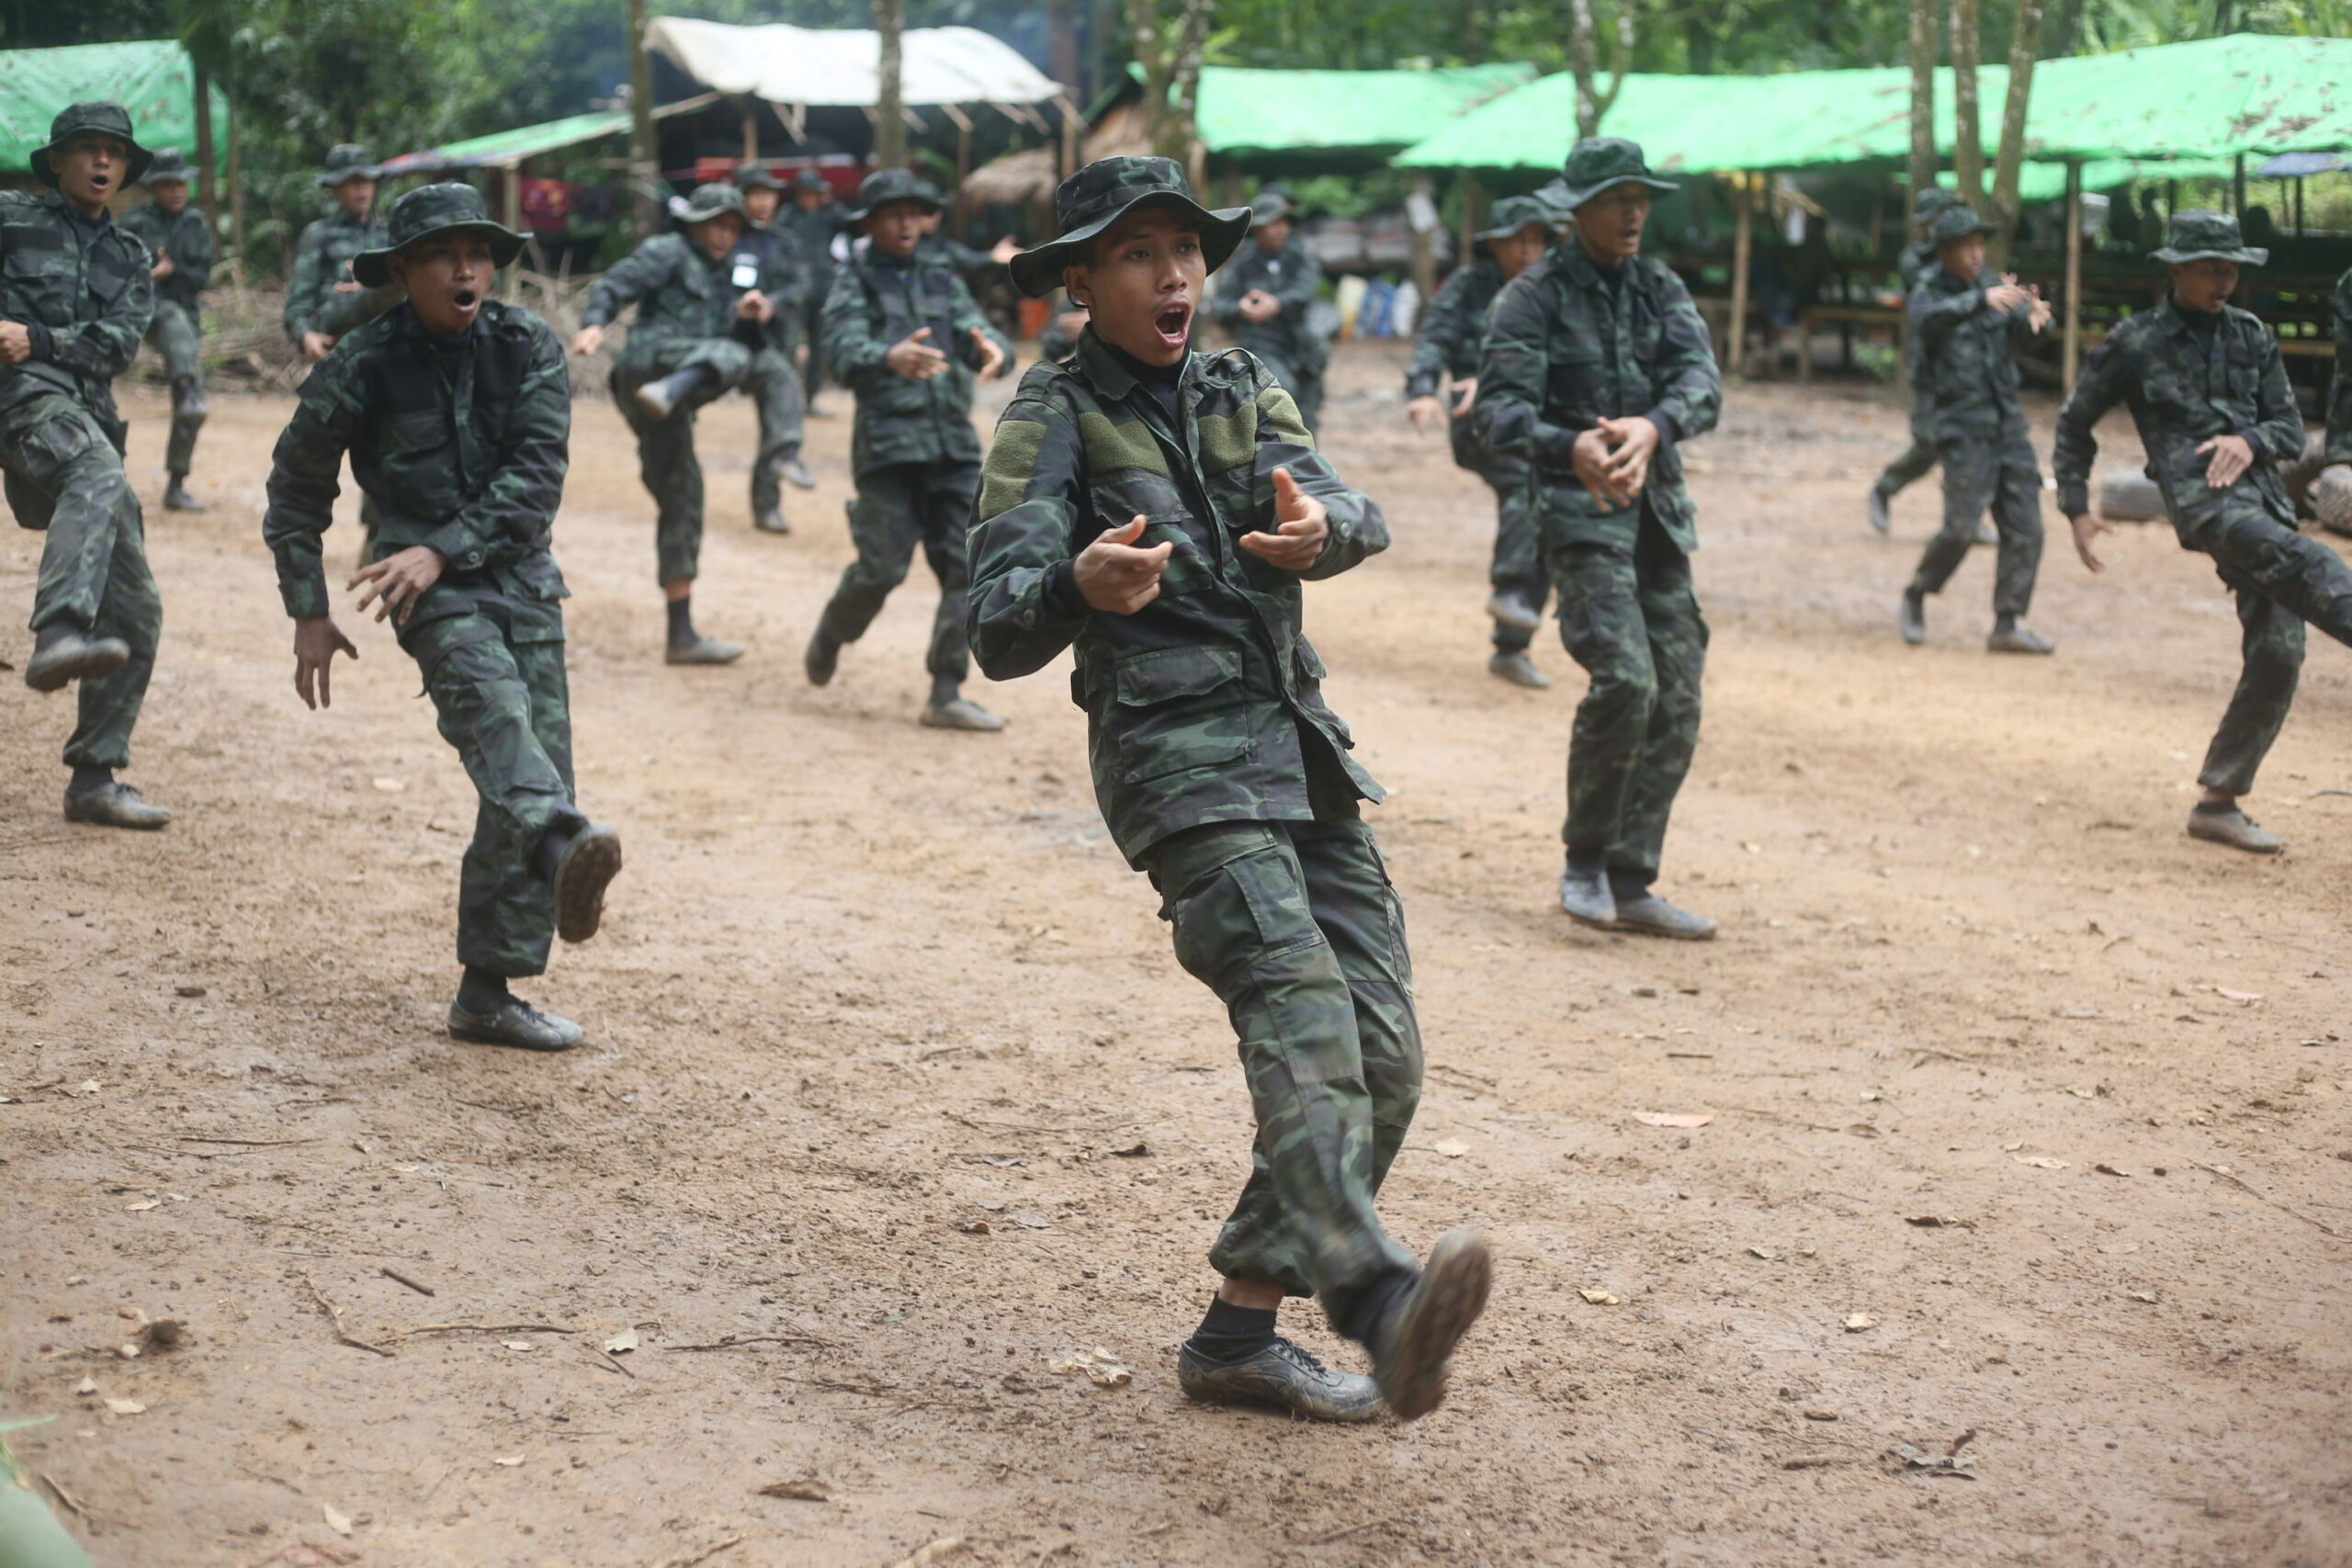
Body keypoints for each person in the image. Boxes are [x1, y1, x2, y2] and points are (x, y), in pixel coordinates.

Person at [971, 155, 1493, 1426]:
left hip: (1298, 750)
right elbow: (993, 625)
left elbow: (1347, 500)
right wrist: (1073, 586)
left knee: (1381, 1053)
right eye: (1142, 253)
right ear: (1083, 281)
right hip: (1175, 762)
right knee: (1301, 1008)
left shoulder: (1241, 381)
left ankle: (1237, 1335)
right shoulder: (1052, 417)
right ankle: (1374, 1297)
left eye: (1188, 249)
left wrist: (1328, 532)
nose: (1177, 274)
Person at [262, 183, 623, 1050]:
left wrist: (444, 542)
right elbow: (295, 490)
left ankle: (487, 992)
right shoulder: (361, 362)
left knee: (526, 766)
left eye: (477, 252)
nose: (464, 269)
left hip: (524, 581)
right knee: (497, 718)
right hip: (427, 593)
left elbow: (536, 482)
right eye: (439, 254)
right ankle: (561, 838)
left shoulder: (528, 346)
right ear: (400, 271)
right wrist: (309, 610)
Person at [1477, 137, 1722, 941]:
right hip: (1578, 517)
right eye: (1618, 199)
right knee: (1627, 680)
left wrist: (1655, 427)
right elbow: (1497, 414)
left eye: (1641, 198)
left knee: (1679, 692)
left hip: (1658, 516)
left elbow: (1702, 383)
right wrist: (1570, 445)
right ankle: (1584, 858)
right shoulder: (1532, 297)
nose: (1634, 213)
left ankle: (1632, 875)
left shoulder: (1659, 287)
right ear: (1576, 211)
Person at [2053, 211, 2352, 857]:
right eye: (2211, 267)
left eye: (2231, 266)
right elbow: (2075, 421)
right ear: (2176, 270)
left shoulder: (2253, 334)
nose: (2225, 279)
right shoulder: (2134, 341)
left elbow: (2289, 429)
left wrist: (2250, 440)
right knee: (2306, 561)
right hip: (2206, 505)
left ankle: (2218, 800)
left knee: (2280, 649)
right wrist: (2076, 506)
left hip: (2265, 499)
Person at [3, 103, 172, 830]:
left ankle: (94, 777)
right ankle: (59, 630)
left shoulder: (132, 256)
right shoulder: (10, 218)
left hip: (80, 412)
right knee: (97, 473)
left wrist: (35, 336)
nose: (103, 163)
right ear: (59, 160)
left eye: (114, 153)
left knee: (135, 604)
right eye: (88, 149)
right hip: (19, 399)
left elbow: (115, 346)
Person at [806, 168, 1011, 730]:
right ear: (870, 222)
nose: (905, 223)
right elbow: (839, 351)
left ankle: (945, 692)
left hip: (953, 450)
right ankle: (833, 630)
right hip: (890, 452)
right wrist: (886, 357)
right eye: (892, 214)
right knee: (881, 571)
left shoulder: (942, 275)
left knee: (968, 569)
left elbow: (977, 332)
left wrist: (994, 350)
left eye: (913, 213)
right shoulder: (855, 280)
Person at [572, 182, 776, 664]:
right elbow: (616, 284)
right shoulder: (668, 251)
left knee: (682, 493)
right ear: (695, 223)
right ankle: (668, 393)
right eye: (716, 224)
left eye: (732, 226)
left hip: (675, 394)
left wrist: (752, 316)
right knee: (734, 355)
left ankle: (681, 635)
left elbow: (740, 336)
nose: (725, 234)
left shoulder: (731, 274)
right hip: (648, 369)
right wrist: (594, 322)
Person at [1405, 194, 1556, 688]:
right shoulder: (1470, 286)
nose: (1529, 249)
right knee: (1527, 484)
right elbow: (1436, 336)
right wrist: (1424, 390)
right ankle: (1511, 595)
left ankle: (1512, 645)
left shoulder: (1551, 290)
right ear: (1496, 244)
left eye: (1537, 238)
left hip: (1538, 419)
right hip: (1480, 423)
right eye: (1519, 239)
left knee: (1552, 513)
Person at [1897, 204, 2056, 653]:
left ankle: (2006, 622)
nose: (1974, 255)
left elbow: (2028, 324)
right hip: (1961, 428)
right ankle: (1918, 591)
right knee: (1961, 530)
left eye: (1978, 245)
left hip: (2007, 425)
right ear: (1944, 252)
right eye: (1964, 247)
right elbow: (1925, 320)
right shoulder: (1929, 291)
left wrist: (2037, 319)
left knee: (2026, 526)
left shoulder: (1993, 283)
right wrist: (1979, 301)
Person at [1865, 187, 1965, 536]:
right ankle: (1885, 488)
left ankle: (1964, 519)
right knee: (1929, 443)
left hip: (1964, 366)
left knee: (1964, 442)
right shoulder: (1915, 261)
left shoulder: (1967, 257)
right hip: (1928, 367)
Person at [119, 147, 213, 513]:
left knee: (191, 407)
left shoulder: (196, 222)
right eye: (167, 184)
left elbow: (202, 277)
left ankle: (176, 485)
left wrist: (174, 272)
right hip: (142, 309)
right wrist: (143, 273)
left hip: (184, 317)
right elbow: (112, 268)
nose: (176, 190)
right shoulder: (133, 222)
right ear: (153, 188)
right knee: (170, 320)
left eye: (181, 183)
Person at [734, 164, 815, 515]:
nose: (763, 201)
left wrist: (772, 303)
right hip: (732, 343)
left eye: (769, 193)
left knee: (775, 420)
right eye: (755, 193)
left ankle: (767, 505)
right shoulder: (728, 238)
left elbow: (802, 286)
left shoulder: (787, 242)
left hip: (777, 343)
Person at [1213, 190, 1327, 433]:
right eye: (1273, 223)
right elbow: (1221, 306)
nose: (1281, 229)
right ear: (1257, 228)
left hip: (1300, 343)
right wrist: (1241, 308)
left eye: (1284, 223)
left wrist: (1277, 303)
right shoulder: (1243, 263)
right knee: (1280, 397)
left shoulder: (1298, 255)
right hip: (1262, 345)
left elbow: (1306, 289)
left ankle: (1307, 464)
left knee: (1308, 410)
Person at [284, 145, 387, 364]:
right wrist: (305, 335)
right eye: (352, 182)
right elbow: (298, 304)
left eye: (366, 180)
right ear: (334, 188)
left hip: (385, 340)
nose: (361, 189)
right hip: (337, 334)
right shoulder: (319, 235)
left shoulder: (389, 236)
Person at [780, 171, 842, 416]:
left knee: (818, 349)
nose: (810, 199)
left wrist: (829, 200)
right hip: (795, 292)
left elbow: (850, 221)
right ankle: (787, 399)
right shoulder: (787, 217)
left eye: (814, 194)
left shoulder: (828, 215)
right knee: (790, 346)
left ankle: (810, 400)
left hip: (822, 290)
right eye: (806, 194)